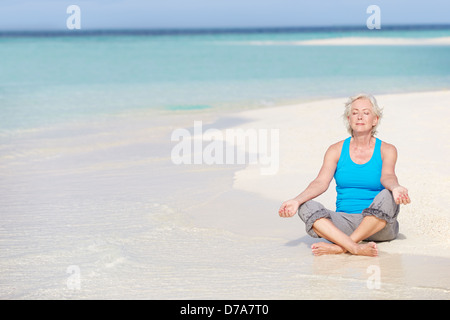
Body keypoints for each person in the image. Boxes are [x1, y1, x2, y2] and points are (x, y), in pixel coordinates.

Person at [278, 93, 411, 257]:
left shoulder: (387, 149)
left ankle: (341, 247)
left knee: (388, 195)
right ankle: (354, 247)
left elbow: (388, 177)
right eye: (355, 113)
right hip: (344, 223)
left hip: (378, 226)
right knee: (305, 205)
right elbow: (320, 182)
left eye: (366, 113)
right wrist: (296, 200)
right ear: (349, 119)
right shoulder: (335, 150)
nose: (360, 117)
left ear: (375, 120)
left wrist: (396, 187)